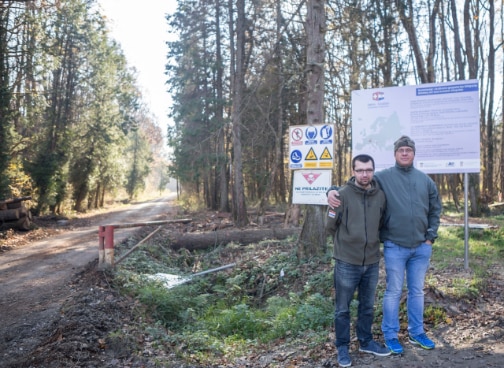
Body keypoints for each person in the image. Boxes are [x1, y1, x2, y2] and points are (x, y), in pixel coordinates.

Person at [327, 136, 442, 355]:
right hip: (395, 246)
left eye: (409, 150)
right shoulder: (383, 178)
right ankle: (390, 335)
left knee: (416, 291)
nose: (405, 153)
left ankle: (416, 332)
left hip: (421, 247)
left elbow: (435, 209)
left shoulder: (425, 180)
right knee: (393, 291)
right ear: (395, 154)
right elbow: (356, 183)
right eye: (401, 150)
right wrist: (331, 190)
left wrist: (430, 236)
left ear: (414, 153)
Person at [326, 154, 390, 367]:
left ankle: (365, 341)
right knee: (342, 308)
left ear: (373, 171)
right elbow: (329, 226)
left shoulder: (380, 195)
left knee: (367, 306)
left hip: (371, 261)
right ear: (353, 171)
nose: (365, 174)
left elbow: (381, 222)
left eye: (368, 170)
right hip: (346, 261)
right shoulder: (341, 195)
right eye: (360, 170)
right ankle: (342, 347)